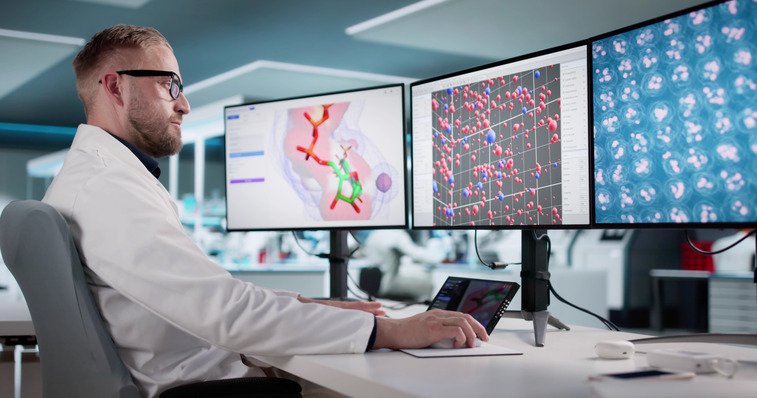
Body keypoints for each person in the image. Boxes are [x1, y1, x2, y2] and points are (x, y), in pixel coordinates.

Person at [42, 24, 487, 397]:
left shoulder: (98, 177)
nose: (184, 103)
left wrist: (307, 305)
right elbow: (223, 311)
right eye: (169, 84)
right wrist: (393, 331)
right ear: (115, 86)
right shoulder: (107, 188)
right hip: (198, 385)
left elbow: (204, 295)